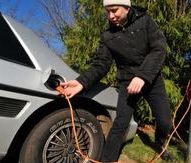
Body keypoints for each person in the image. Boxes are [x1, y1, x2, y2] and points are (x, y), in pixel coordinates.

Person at [61, 0, 173, 162]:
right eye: (107, 12)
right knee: (120, 123)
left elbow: (159, 48)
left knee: (165, 121)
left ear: (127, 8)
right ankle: (108, 159)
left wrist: (142, 76)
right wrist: (81, 82)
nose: (111, 16)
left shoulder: (145, 20)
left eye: (114, 10)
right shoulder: (107, 36)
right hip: (127, 82)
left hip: (151, 79)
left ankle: (160, 143)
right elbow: (100, 64)